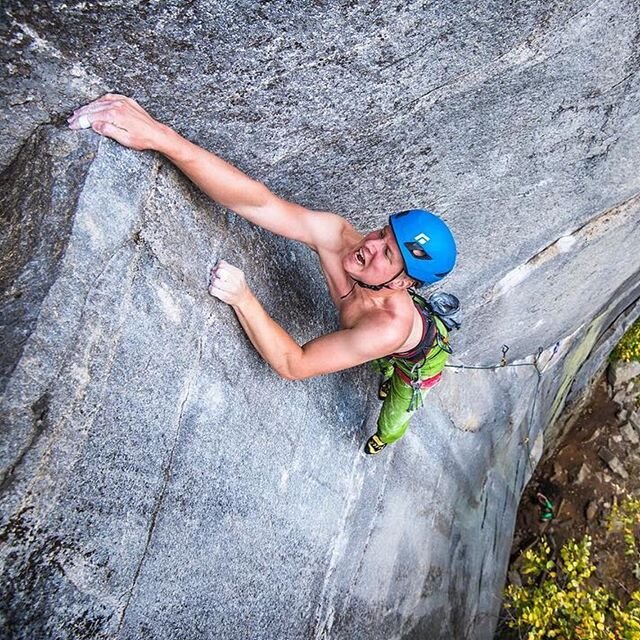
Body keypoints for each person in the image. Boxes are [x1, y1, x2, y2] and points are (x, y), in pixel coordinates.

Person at [68, 94, 457, 455]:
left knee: (395, 407)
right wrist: (162, 137)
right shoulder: (341, 240)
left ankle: (384, 437)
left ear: (404, 283)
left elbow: (294, 365)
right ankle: (385, 368)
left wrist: (244, 299)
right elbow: (257, 201)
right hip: (381, 335)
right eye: (381, 232)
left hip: (418, 356)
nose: (369, 245)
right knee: (376, 359)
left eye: (387, 252)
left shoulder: (385, 327)